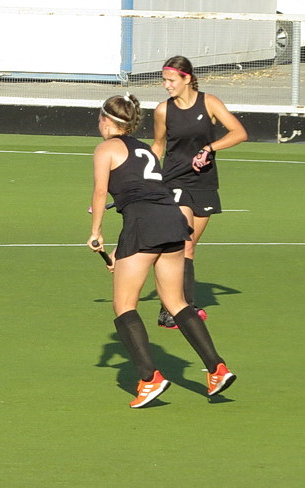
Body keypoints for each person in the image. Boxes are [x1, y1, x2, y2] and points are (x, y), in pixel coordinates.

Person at [89, 94, 236, 408]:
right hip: (172, 221)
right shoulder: (144, 149)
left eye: (99, 120)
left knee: (124, 305)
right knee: (176, 302)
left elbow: (101, 191)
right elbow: (146, 194)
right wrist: (121, 250)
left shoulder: (106, 148)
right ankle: (217, 369)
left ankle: (149, 379)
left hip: (144, 224)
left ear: (107, 121)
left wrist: (96, 231)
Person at [150, 55, 247, 328]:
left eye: (171, 80)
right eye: (164, 80)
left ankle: (176, 307)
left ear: (187, 78)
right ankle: (179, 310)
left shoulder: (210, 103)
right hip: (174, 182)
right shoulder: (163, 110)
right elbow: (158, 146)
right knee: (181, 242)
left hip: (204, 183)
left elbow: (239, 133)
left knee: (189, 248)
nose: (166, 85)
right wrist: (141, 175)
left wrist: (209, 148)